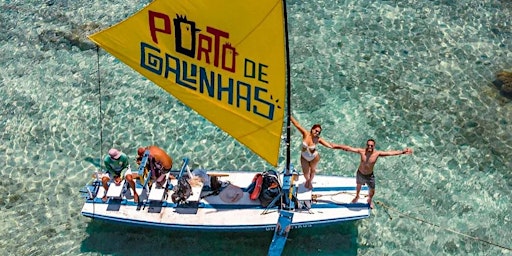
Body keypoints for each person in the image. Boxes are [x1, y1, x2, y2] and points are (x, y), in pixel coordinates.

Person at [334, 139, 413, 209]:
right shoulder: (361, 151)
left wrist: (402, 152)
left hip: (369, 176)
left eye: (371, 145)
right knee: (358, 185)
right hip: (360, 173)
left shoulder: (377, 154)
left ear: (374, 146)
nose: (369, 147)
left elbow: (390, 153)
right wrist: (337, 146)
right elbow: (349, 148)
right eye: (368, 145)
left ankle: (369, 199)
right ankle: (357, 196)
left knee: (372, 191)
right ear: (366, 145)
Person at [290, 116, 336, 189]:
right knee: (305, 172)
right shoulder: (305, 134)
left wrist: (336, 147)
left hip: (314, 157)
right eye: (316, 130)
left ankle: (309, 182)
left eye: (318, 132)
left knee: (312, 170)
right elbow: (297, 125)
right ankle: (307, 180)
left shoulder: (318, 139)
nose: (317, 133)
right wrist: (289, 116)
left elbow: (328, 145)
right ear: (312, 129)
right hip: (304, 157)